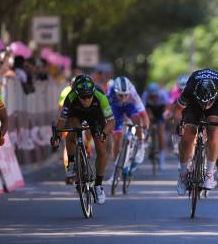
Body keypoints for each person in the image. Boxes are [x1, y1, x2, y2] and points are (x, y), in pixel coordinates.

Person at [51, 75, 115, 204]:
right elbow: (62, 121)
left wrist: (103, 133)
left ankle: (98, 185)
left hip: (96, 117)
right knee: (72, 132)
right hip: (76, 115)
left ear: (93, 92)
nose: (86, 100)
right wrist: (56, 136)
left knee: (101, 150)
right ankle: (72, 163)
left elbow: (111, 121)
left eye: (88, 97)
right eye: (83, 97)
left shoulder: (100, 96)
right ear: (77, 93)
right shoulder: (71, 97)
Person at [174, 68, 218, 194]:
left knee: (213, 130)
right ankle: (183, 174)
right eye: (204, 103)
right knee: (188, 134)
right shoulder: (189, 89)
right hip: (194, 104)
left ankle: (209, 173)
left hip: (215, 106)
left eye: (208, 103)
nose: (206, 106)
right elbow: (178, 110)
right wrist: (179, 126)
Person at [108, 77, 150, 166]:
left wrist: (145, 130)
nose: (123, 98)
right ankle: (116, 169)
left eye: (126, 95)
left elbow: (144, 114)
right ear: (115, 92)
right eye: (120, 95)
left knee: (137, 119)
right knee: (116, 138)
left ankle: (141, 145)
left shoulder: (133, 94)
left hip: (130, 106)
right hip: (116, 108)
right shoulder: (110, 93)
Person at [142, 82, 171, 170]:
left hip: (160, 111)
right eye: (152, 96)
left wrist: (165, 115)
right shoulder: (145, 95)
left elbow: (168, 107)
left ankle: (162, 159)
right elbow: (142, 108)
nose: (154, 98)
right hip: (149, 109)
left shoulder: (163, 94)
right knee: (147, 126)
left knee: (161, 134)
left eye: (155, 96)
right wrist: (148, 116)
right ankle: (146, 142)